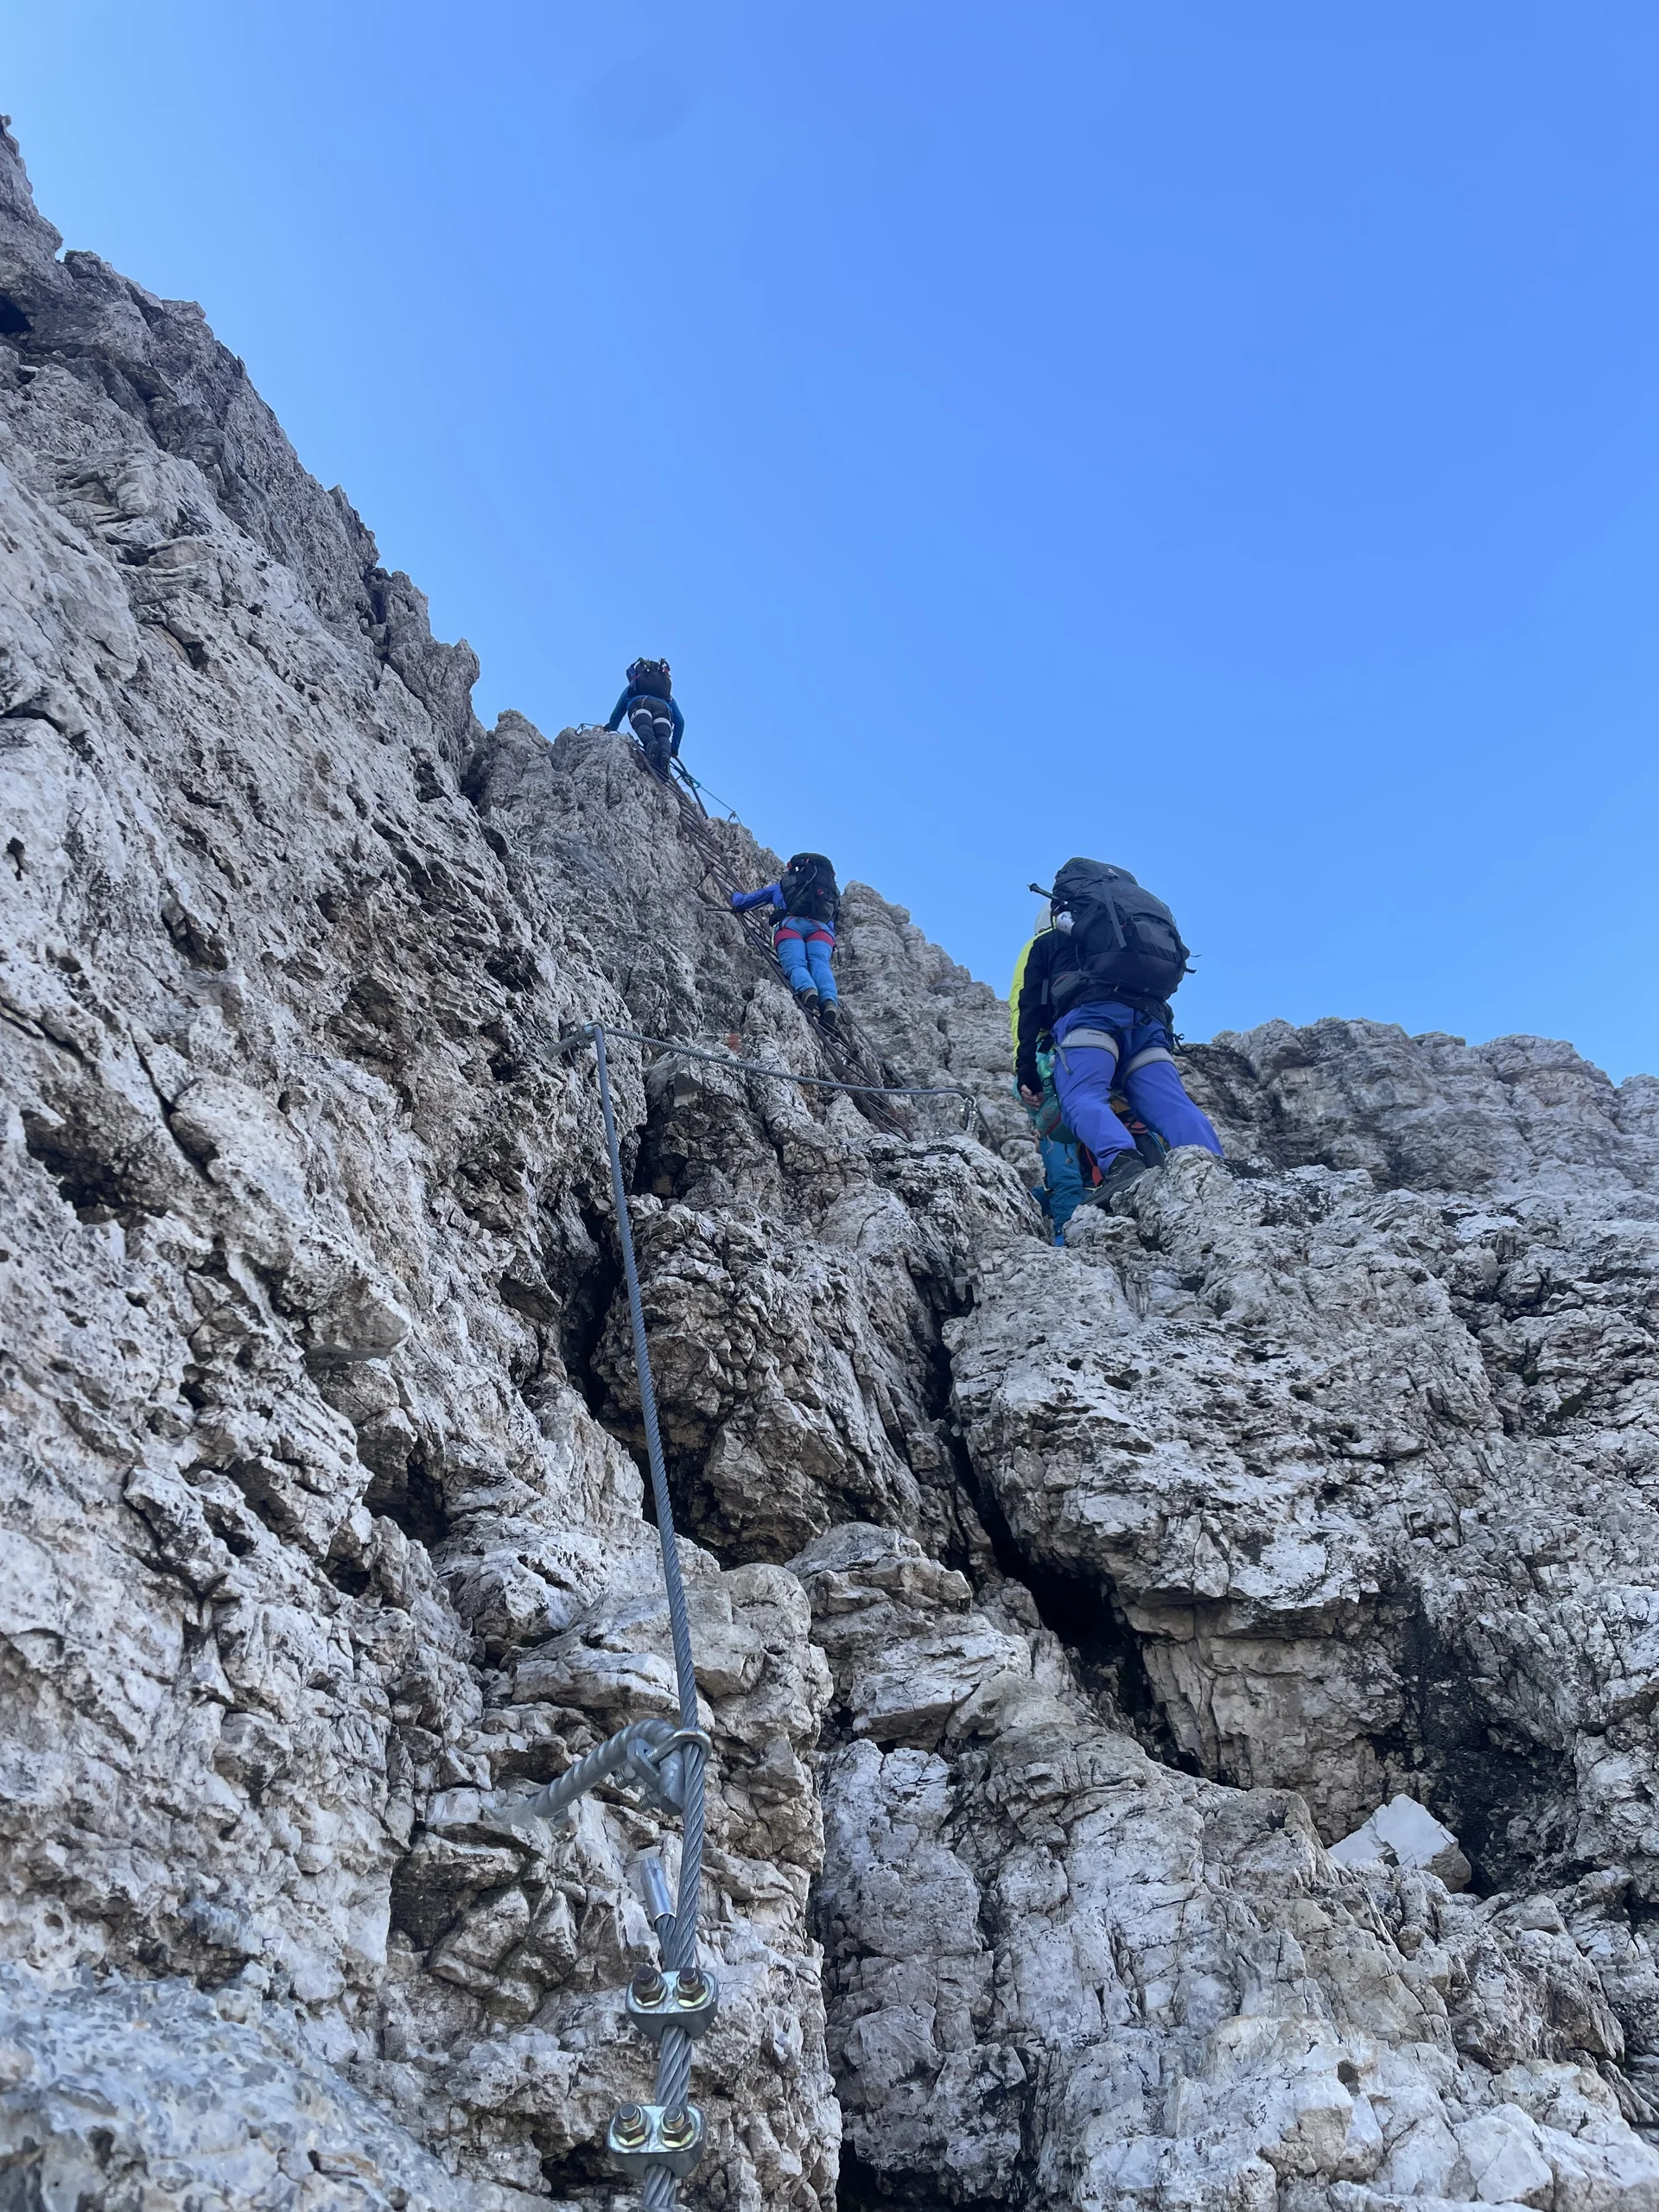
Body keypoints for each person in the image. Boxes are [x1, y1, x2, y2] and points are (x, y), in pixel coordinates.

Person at [1014, 857, 1222, 1208]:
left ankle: (1122, 1163)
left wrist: (1027, 1071)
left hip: (1090, 1023)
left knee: (1082, 1097)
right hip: (1149, 1026)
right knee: (1172, 1105)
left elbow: (1030, 1008)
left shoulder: (1048, 943)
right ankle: (1217, 1170)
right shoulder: (1123, 932)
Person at [731, 853, 842, 1031]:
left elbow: (746, 901)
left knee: (796, 963)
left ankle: (807, 990)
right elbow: (831, 921)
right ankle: (829, 1002)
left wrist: (736, 897)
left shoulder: (785, 886)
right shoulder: (829, 893)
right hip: (822, 931)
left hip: (791, 925)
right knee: (820, 963)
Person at [604, 658, 685, 779]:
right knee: (662, 736)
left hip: (640, 704)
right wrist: (674, 749)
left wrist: (612, 727)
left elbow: (618, 710)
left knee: (644, 726)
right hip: (663, 710)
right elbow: (680, 721)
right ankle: (664, 754)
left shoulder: (633, 687)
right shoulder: (667, 696)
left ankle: (651, 743)